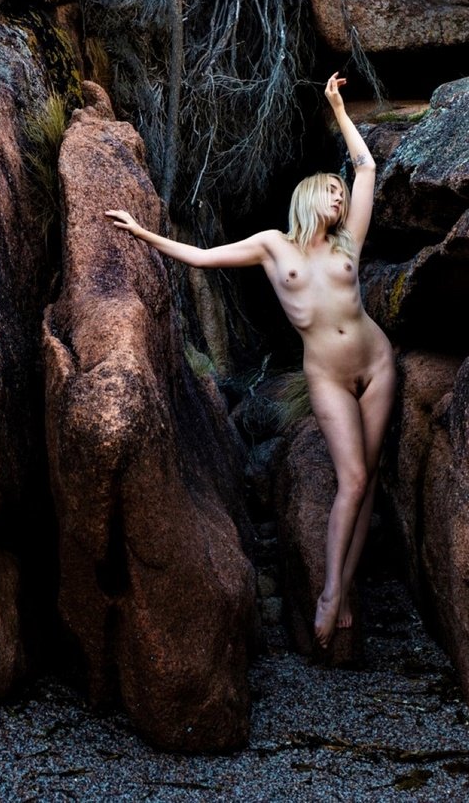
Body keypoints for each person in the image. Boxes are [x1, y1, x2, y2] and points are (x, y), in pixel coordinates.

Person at [104, 73, 394, 650]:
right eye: (331, 192)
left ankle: (345, 589)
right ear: (308, 197)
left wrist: (338, 107)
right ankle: (330, 593)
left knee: (369, 478)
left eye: (341, 195)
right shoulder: (272, 245)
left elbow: (365, 168)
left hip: (376, 361)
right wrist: (142, 234)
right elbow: (203, 257)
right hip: (328, 374)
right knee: (354, 478)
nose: (340, 198)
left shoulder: (349, 243)